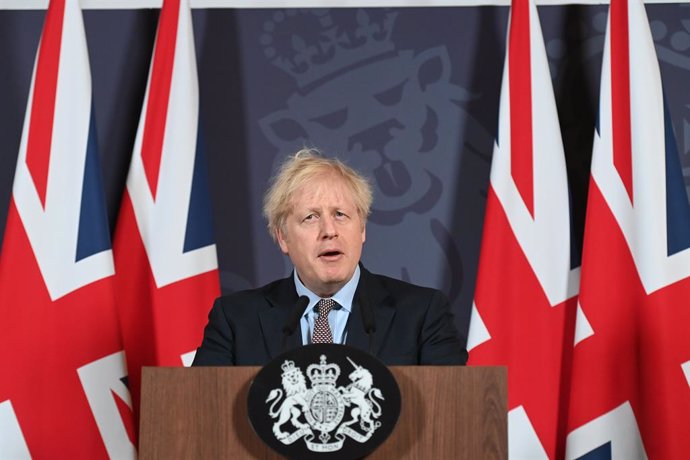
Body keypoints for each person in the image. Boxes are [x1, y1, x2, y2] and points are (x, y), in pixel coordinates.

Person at [192, 148, 467, 366]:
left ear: (362, 228)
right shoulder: (236, 320)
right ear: (282, 238)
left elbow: (454, 412)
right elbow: (200, 414)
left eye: (340, 214)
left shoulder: (422, 314)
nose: (329, 231)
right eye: (310, 217)